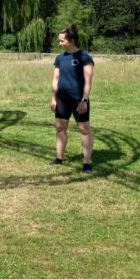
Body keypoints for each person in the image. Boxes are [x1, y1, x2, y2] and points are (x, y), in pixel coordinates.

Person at [50, 24, 94, 173]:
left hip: (78, 100)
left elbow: (88, 81)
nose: (60, 43)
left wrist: (84, 100)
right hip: (62, 99)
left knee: (84, 129)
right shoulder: (59, 58)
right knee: (60, 128)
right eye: (59, 41)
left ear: (72, 40)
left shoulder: (84, 57)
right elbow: (55, 79)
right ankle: (59, 158)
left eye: (62, 41)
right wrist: (53, 98)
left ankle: (87, 162)